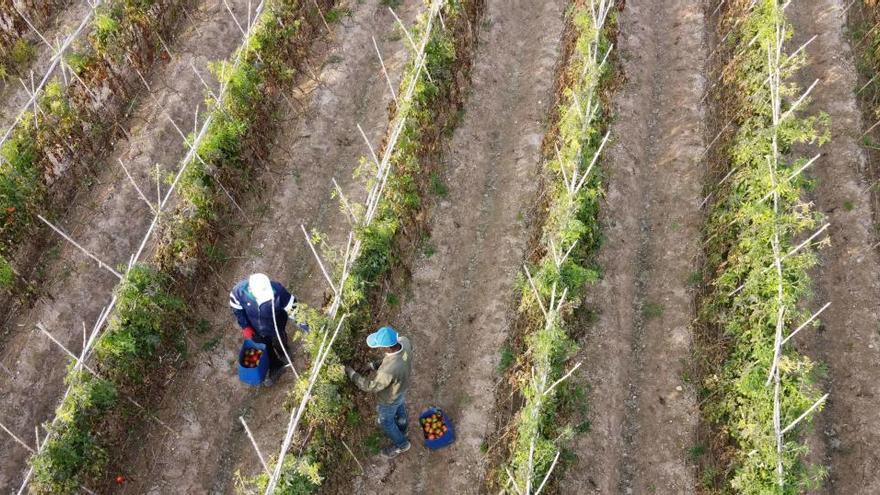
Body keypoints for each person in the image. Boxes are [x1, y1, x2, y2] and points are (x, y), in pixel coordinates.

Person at [345, 326, 413, 458]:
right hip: (401, 388)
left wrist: (353, 374)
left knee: (386, 422)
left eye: (380, 346)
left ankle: (403, 444)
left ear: (387, 348)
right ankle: (403, 428)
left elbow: (370, 386)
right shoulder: (405, 342)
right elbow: (395, 360)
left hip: (389, 399)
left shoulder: (387, 371)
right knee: (400, 407)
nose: (380, 348)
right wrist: (373, 365)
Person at [229, 273, 302, 386]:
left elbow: (296, 312)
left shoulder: (279, 292)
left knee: (279, 339)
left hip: (276, 324)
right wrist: (245, 326)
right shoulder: (239, 292)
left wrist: (308, 327)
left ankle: (284, 351)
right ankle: (276, 365)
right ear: (252, 291)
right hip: (255, 328)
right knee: (265, 347)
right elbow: (237, 308)